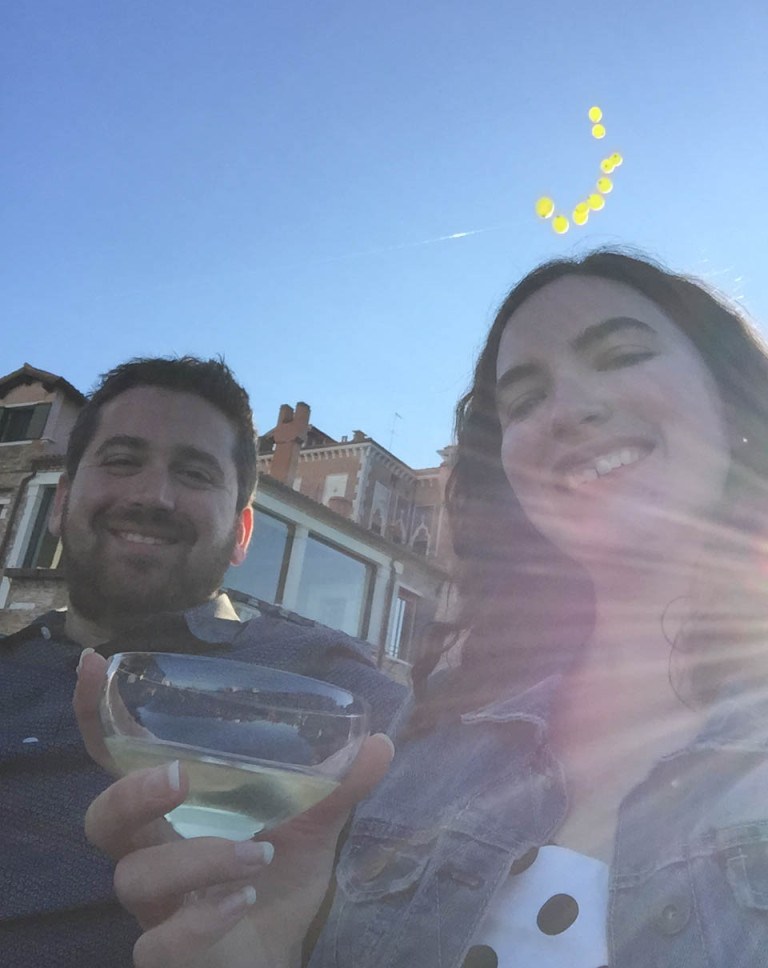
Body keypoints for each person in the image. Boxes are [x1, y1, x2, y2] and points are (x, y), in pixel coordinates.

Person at [78, 251, 768, 968]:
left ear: (734, 399)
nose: (569, 411)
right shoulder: (432, 737)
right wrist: (274, 947)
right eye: (525, 401)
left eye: (622, 354)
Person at [0, 355, 405, 967]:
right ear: (60, 504)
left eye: (193, 473)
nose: (152, 495)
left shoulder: (328, 686)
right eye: (121, 461)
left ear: (243, 532)